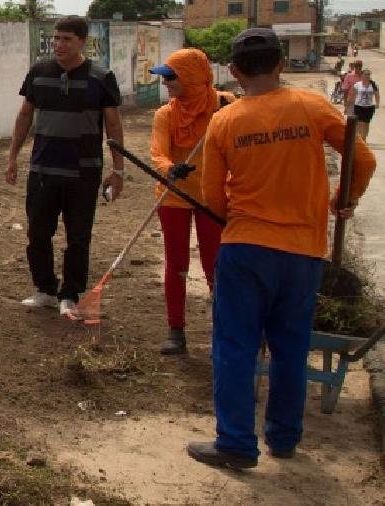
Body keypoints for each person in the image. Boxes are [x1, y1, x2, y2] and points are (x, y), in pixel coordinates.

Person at [190, 28, 376, 469]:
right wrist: (341, 200)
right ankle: (285, 438)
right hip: (303, 252)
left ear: (233, 71)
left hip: (245, 248)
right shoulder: (311, 107)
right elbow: (362, 158)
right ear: (280, 64)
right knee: (291, 348)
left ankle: (236, 443)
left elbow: (212, 196)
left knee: (236, 346)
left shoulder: (225, 120)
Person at [6, 15, 125, 317]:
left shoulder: (100, 76)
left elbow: (113, 123)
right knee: (38, 233)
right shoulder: (38, 73)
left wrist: (118, 169)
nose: (59, 44)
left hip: (83, 172)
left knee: (78, 236)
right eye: (56, 38)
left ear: (82, 41)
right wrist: (13, 156)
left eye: (66, 39)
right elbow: (24, 116)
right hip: (43, 170)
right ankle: (45, 289)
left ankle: (70, 294)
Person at [148, 49, 235, 355]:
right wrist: (169, 169)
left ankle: (223, 330)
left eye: (171, 77)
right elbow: (157, 152)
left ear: (192, 78)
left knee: (217, 265)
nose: (166, 83)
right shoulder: (166, 114)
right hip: (174, 196)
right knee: (177, 264)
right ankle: (175, 330)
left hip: (213, 198)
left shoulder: (225, 106)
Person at [346, 69, 380, 141]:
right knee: (359, 124)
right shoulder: (357, 85)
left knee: (366, 124)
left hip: (369, 107)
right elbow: (352, 96)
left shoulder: (373, 85)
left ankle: (364, 139)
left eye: (368, 74)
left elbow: (377, 95)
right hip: (358, 106)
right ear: (362, 76)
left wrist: (377, 103)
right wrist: (347, 107)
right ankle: (359, 139)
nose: (367, 76)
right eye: (366, 74)